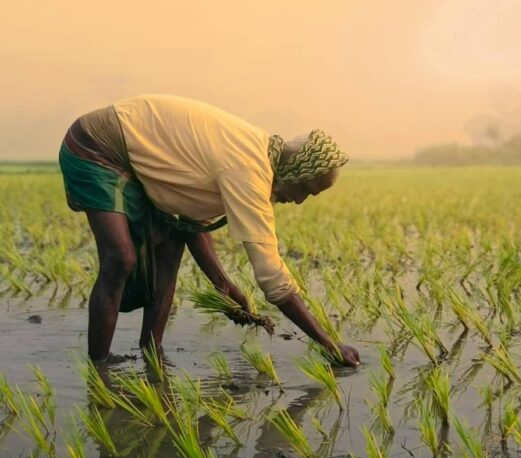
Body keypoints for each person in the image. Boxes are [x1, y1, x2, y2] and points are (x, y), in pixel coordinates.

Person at [58, 95, 360, 367]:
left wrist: (223, 285)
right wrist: (328, 343)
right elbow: (272, 277)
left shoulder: (256, 154)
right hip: (96, 145)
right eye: (305, 189)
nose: (299, 200)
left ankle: (151, 352)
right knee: (120, 258)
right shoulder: (249, 170)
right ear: (297, 171)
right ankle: (99, 365)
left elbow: (191, 221)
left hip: (136, 161)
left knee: (171, 245)